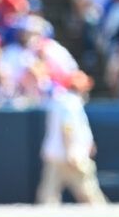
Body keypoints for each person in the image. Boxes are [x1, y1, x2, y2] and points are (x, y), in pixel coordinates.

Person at [36, 70, 107, 205]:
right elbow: (67, 127)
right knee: (90, 195)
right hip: (70, 157)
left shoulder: (60, 101)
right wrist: (71, 151)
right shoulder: (71, 103)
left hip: (55, 155)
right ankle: (104, 215)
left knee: (48, 196)